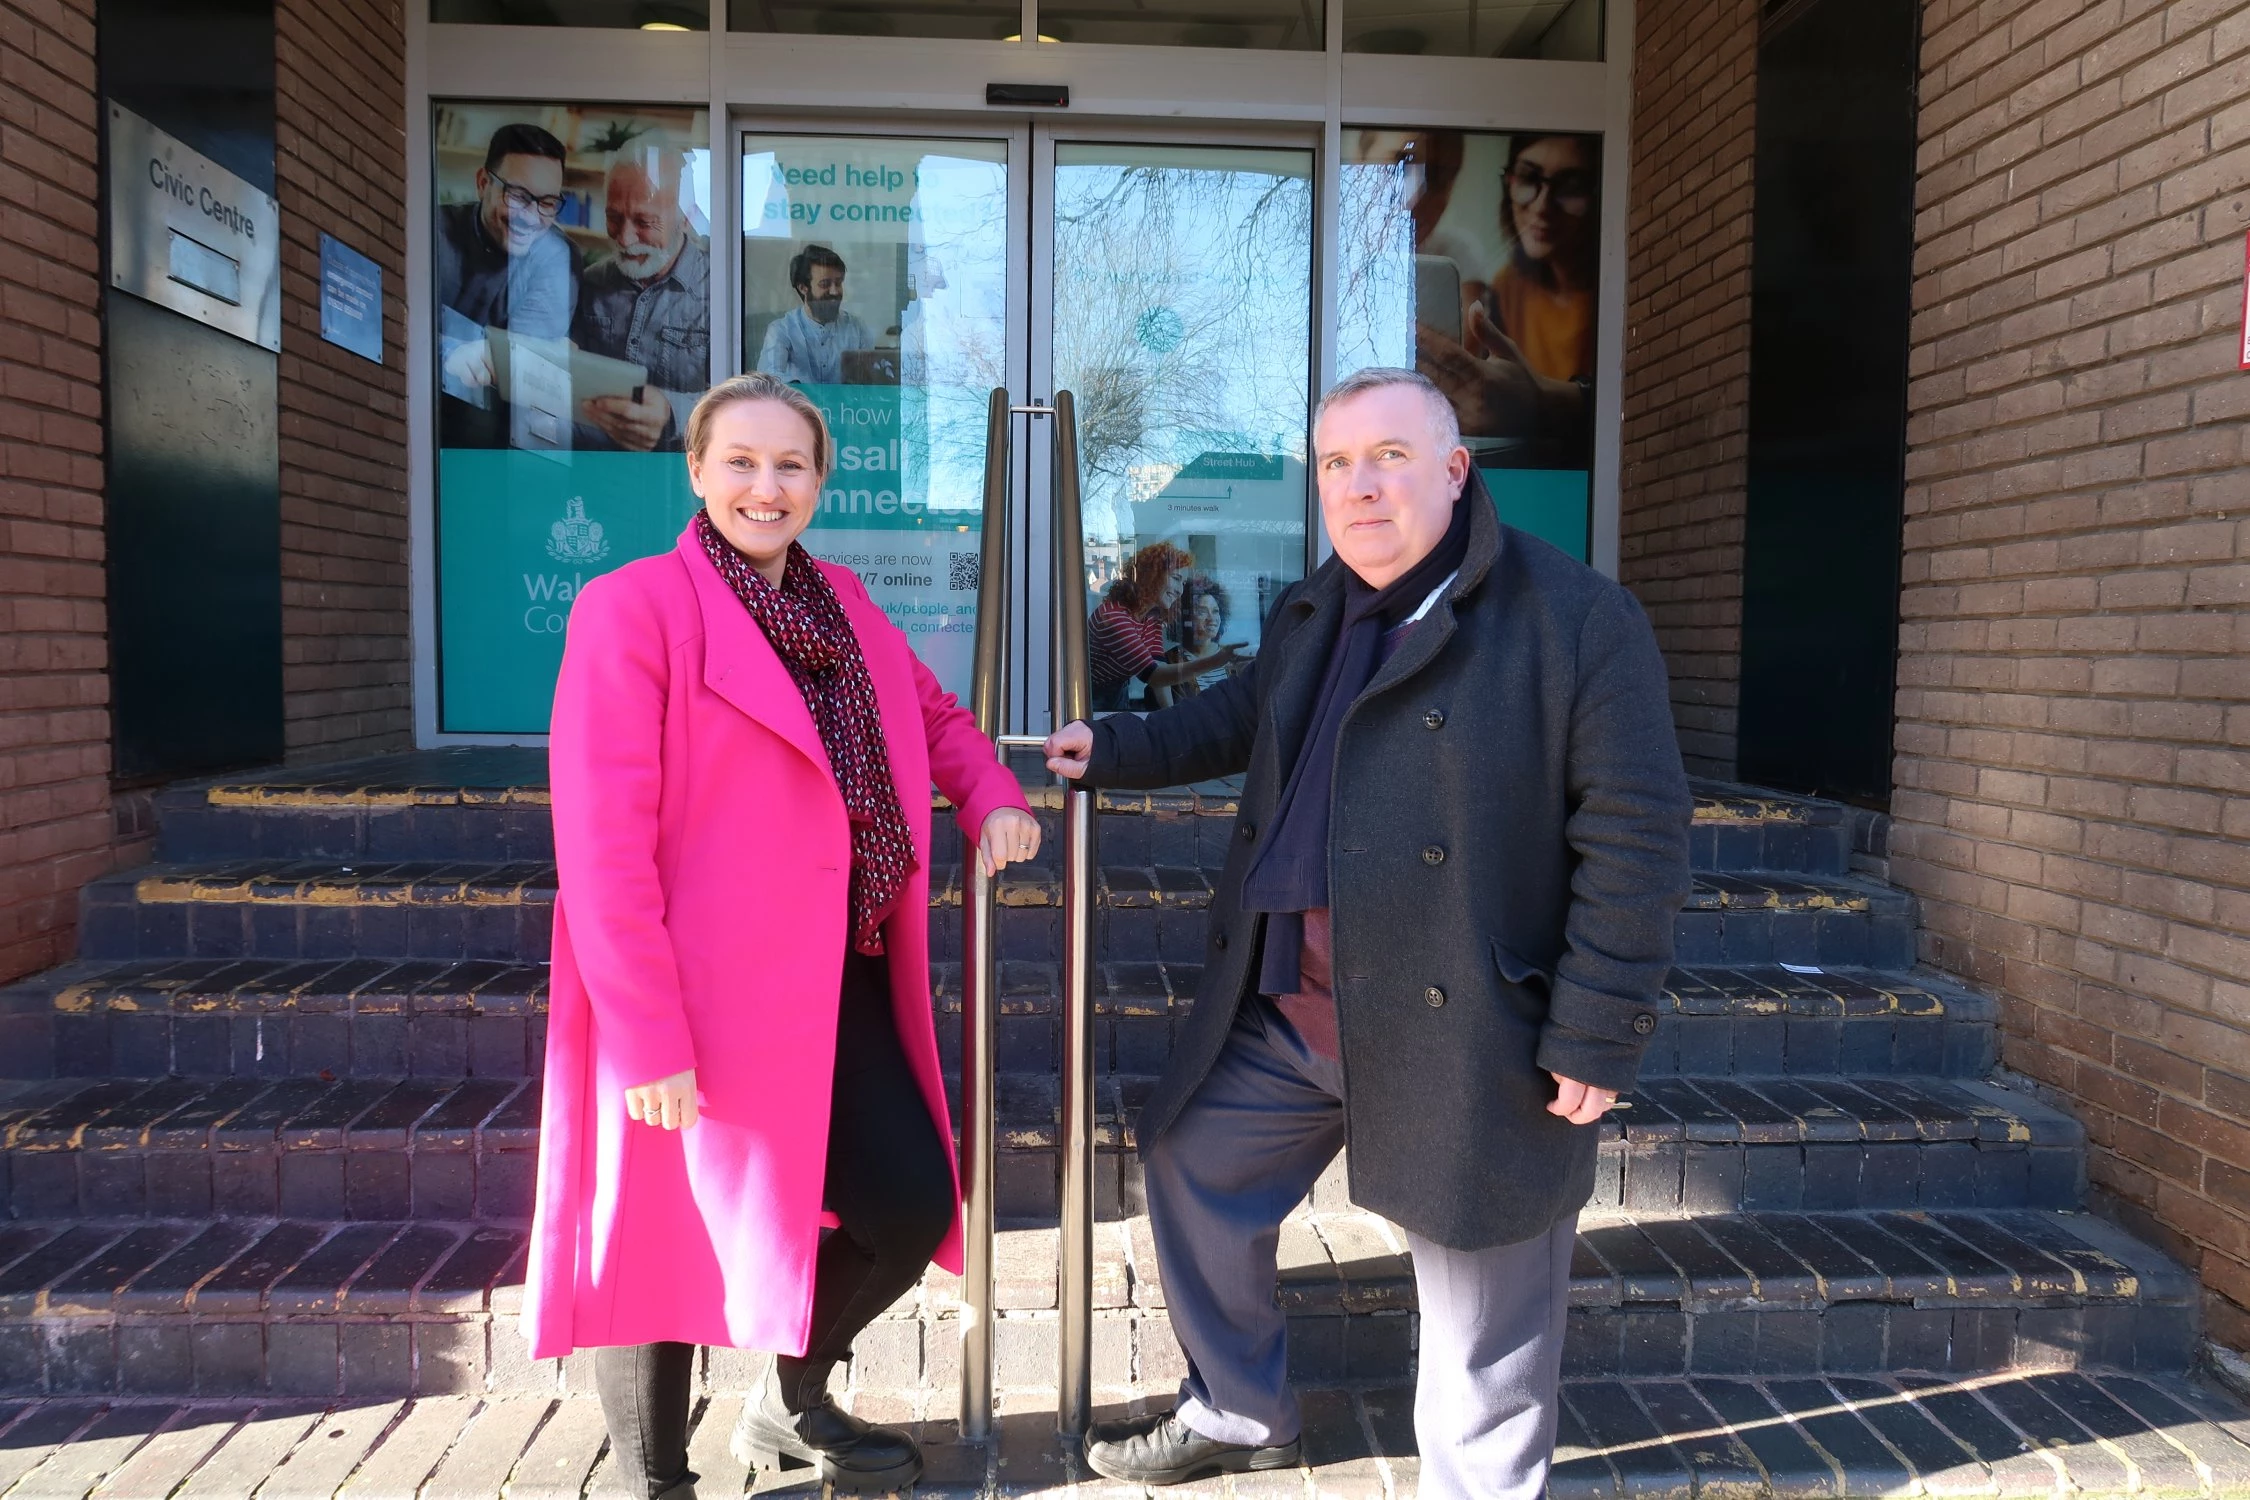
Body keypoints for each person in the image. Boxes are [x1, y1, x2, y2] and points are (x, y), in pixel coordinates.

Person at [1045, 368, 1691, 1499]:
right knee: (1190, 1157)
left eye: (1390, 456)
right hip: (1298, 1008)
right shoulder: (1318, 608)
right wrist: (1112, 750)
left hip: (1470, 1031)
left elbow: (1638, 837)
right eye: (1337, 464)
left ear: (1453, 471)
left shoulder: (1577, 619)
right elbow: (1238, 719)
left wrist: (1596, 1028)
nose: (1361, 486)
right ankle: (1242, 1410)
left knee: (1484, 1326)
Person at [522, 371, 1041, 1500]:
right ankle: (655, 1482)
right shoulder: (632, 607)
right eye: (742, 463)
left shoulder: (844, 603)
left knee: (907, 1204)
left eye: (791, 464)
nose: (767, 486)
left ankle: (790, 1400)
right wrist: (647, 1034)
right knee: (660, 1253)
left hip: (835, 975)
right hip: (685, 995)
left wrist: (990, 792)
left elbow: (934, 717)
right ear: (699, 471)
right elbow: (600, 845)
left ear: (819, 480)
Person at [1417, 133, 1600, 463]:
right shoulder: (1507, 290)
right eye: (1530, 178)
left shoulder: (1614, 301)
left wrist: (1545, 403)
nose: (1543, 206)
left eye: (1570, 185)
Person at [435, 123, 580, 445]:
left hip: (504, 446)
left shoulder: (557, 255)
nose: (531, 216)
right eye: (519, 196)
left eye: (547, 203)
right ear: (482, 182)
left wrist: (475, 353)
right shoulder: (433, 234)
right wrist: (455, 351)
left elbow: (525, 364)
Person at [570, 146, 711, 452]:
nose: (624, 238)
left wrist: (671, 413)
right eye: (613, 217)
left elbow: (744, 397)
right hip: (595, 471)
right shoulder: (589, 283)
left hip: (679, 480)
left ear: (688, 218)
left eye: (645, 222)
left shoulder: (718, 294)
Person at [1089, 543, 1247, 711]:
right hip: (1091, 695)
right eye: (1176, 579)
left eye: (1183, 583)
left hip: (1117, 692)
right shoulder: (1115, 617)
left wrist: (1171, 718)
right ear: (1152, 576)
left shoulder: (1150, 616)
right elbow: (1154, 676)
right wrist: (1217, 660)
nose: (1180, 590)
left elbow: (1159, 669)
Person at [757, 245, 875, 386]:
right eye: (825, 284)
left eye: (838, 283)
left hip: (847, 408)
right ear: (803, 288)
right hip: (799, 407)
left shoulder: (857, 328)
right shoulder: (781, 330)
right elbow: (769, 379)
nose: (834, 291)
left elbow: (870, 381)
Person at [1171, 576, 1247, 697]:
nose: (1212, 619)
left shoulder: (1232, 656)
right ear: (1185, 617)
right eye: (1202, 611)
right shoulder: (1171, 661)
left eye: (1216, 611)